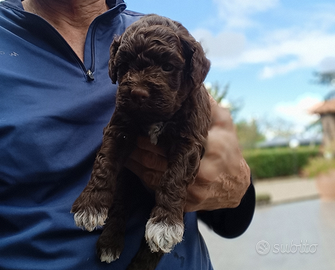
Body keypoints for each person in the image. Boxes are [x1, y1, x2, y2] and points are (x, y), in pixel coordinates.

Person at [0, 0, 255, 269]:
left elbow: (228, 209)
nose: (139, 87)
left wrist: (238, 190)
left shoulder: (159, 31)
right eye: (126, 69)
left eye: (166, 68)